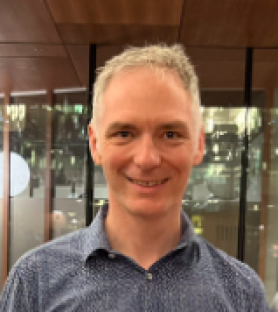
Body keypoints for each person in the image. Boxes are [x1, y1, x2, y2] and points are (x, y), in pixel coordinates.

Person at [0, 44, 270, 311]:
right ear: (95, 144)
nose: (146, 159)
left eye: (170, 134)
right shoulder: (36, 279)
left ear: (199, 145)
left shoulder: (241, 292)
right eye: (124, 134)